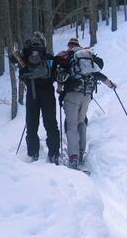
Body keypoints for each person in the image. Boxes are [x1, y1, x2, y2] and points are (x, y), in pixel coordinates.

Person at [55, 38, 116, 169]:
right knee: (81, 122)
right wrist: (111, 85)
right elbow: (98, 75)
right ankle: (81, 153)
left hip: (72, 95)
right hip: (86, 95)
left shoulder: (69, 57)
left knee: (71, 125)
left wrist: (60, 89)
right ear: (79, 46)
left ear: (70, 46)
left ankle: (73, 157)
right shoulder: (87, 58)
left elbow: (60, 75)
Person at [11, 32, 60, 164]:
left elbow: (12, 59)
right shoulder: (48, 57)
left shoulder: (25, 58)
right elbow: (56, 74)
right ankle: (54, 154)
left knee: (31, 124)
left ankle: (33, 154)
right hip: (48, 94)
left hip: (32, 94)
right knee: (51, 124)